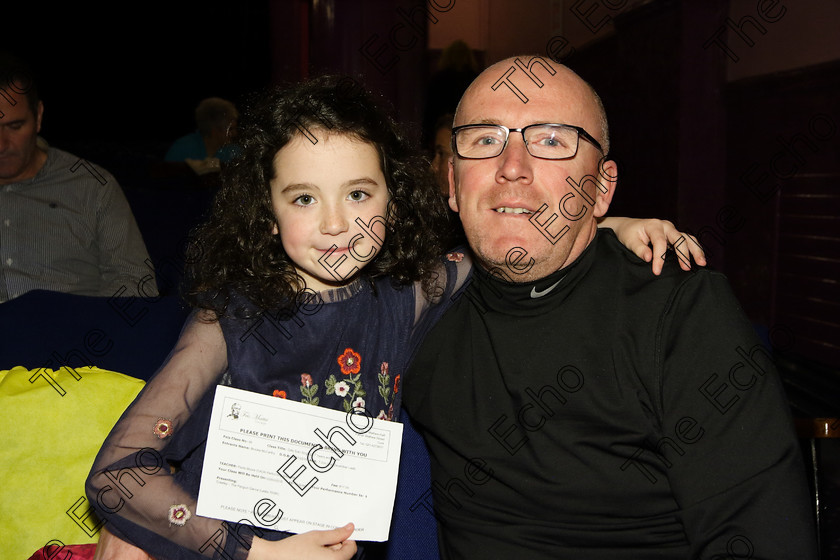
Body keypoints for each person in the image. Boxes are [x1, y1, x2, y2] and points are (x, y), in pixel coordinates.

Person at [86, 74, 702, 560]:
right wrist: (249, 554)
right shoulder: (229, 319)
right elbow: (117, 471)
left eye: (358, 193)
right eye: (304, 198)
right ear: (267, 214)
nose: (335, 223)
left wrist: (608, 226)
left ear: (393, 198)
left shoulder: (408, 295)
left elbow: (511, 250)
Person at [402, 56, 817, 559]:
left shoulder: (681, 312)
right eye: (486, 139)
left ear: (601, 187)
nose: (512, 167)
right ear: (451, 182)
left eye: (552, 141)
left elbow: (763, 538)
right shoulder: (415, 313)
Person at [0, 52, 156, 301]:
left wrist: (85, 326)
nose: (2, 144)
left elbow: (136, 283)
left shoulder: (92, 185)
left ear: (38, 116)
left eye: (15, 126)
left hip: (70, 332)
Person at [164, 97, 241, 174]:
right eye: (231, 129)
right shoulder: (181, 150)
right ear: (214, 130)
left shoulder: (235, 152)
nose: (235, 133)